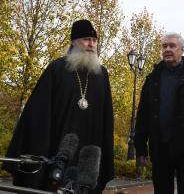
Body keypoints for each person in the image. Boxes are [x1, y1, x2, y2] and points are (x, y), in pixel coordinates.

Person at [2, 19, 114, 193]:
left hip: (89, 154)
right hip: (58, 151)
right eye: (86, 39)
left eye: (94, 40)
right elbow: (38, 113)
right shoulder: (57, 68)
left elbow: (107, 118)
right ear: (73, 41)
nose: (91, 44)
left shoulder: (102, 74)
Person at [134, 32, 184, 194]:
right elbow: (143, 114)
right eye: (164, 46)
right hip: (160, 147)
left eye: (172, 46)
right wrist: (140, 147)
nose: (167, 49)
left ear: (182, 50)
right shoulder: (152, 78)